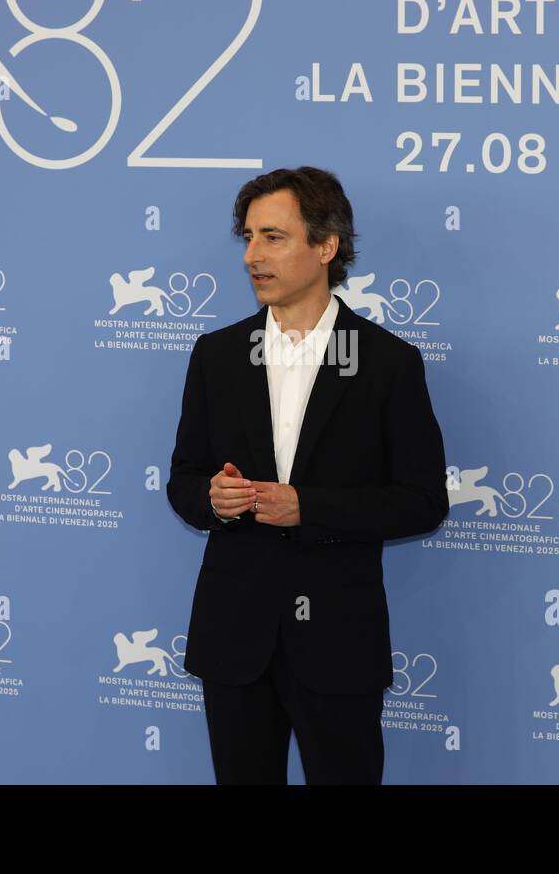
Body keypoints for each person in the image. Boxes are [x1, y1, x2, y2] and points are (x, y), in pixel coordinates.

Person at [166, 166, 449, 784]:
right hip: (233, 639)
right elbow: (184, 479)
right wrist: (214, 500)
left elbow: (423, 501)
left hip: (337, 644)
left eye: (273, 237)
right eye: (247, 237)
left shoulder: (388, 363)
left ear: (327, 246)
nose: (251, 256)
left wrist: (308, 508)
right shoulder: (216, 354)